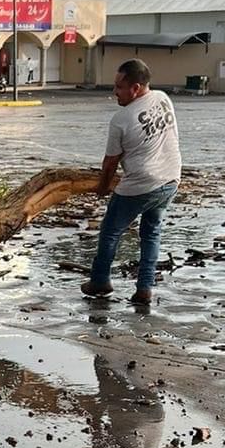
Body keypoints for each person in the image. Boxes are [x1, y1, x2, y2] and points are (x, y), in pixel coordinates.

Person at [82, 59, 181, 305]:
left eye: (119, 87)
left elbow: (110, 162)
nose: (114, 92)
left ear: (135, 88)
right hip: (170, 177)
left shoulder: (121, 119)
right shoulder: (163, 98)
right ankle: (145, 288)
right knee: (151, 233)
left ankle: (101, 281)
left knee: (110, 232)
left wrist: (102, 188)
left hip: (140, 184)